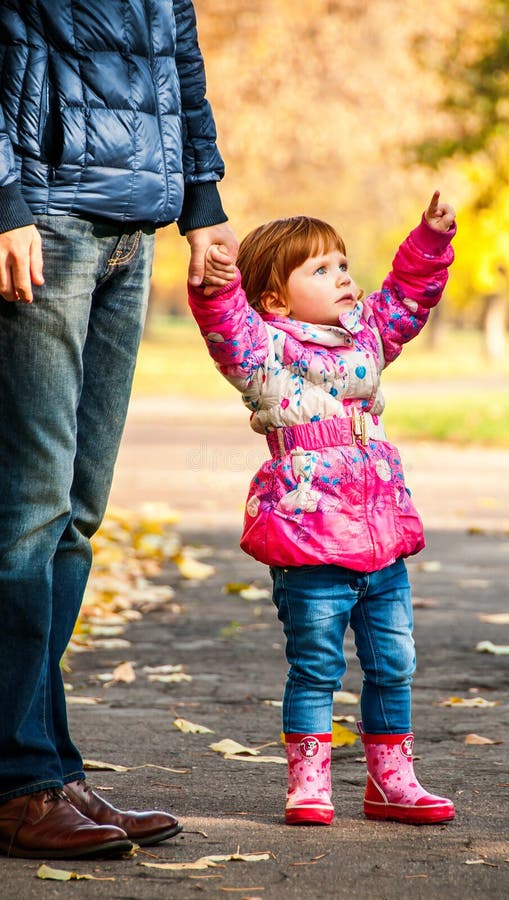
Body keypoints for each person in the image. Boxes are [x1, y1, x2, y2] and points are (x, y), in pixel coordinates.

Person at [0, 1, 237, 860]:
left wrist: (202, 197)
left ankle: (49, 766)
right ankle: (18, 780)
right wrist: (3, 199)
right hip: (43, 216)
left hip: (129, 226)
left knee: (77, 514)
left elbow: (177, 55)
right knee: (28, 515)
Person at [188, 192, 456, 826]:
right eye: (321, 269)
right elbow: (225, 322)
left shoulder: (367, 334)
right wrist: (218, 285)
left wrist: (429, 243)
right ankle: (309, 778)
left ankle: (392, 779)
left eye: (343, 263)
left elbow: (404, 299)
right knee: (317, 663)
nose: (343, 276)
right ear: (276, 299)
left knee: (395, 661)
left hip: (380, 535)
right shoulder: (264, 353)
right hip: (310, 539)